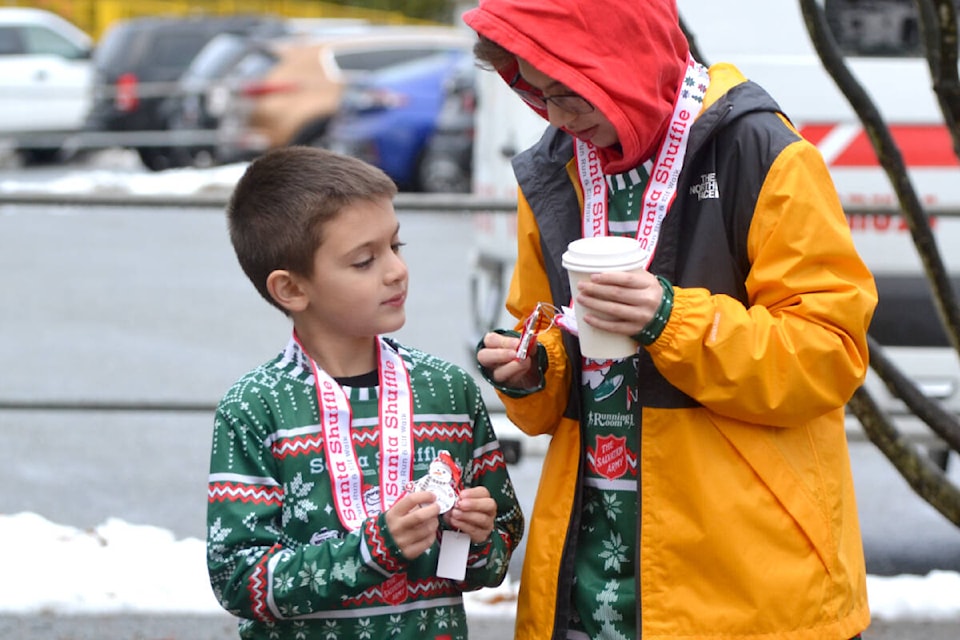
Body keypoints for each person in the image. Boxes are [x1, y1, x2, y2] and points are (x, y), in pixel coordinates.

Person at [464, 1, 877, 639]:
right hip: (588, 579)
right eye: (538, 95)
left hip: (747, 587)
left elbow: (828, 356)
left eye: (571, 93)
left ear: (626, 62)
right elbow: (540, 353)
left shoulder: (765, 152)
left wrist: (668, 318)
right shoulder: (557, 166)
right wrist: (529, 370)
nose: (558, 117)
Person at [206, 146, 524, 640]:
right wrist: (372, 550)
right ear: (291, 289)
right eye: (363, 261)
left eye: (396, 246)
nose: (395, 270)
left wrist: (475, 536)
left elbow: (493, 558)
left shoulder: (449, 392)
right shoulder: (256, 408)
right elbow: (238, 579)